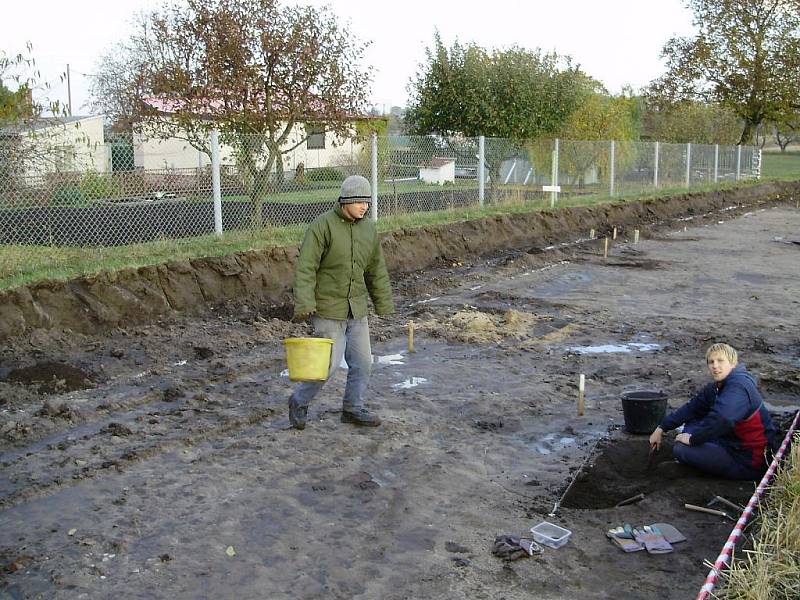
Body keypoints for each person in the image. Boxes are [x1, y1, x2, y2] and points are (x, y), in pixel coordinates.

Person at [287, 175, 395, 430]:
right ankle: (298, 400)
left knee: (363, 362)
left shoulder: (369, 229)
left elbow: (376, 269)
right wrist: (304, 303)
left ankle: (352, 408)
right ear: (345, 200)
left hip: (356, 308)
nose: (364, 206)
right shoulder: (322, 227)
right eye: (359, 201)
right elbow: (306, 268)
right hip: (328, 309)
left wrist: (383, 303)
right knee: (329, 365)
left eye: (367, 201)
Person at [649, 343, 778, 480]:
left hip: (749, 461)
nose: (715, 366)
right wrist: (661, 427)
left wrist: (693, 439)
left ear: (733, 363)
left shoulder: (739, 386)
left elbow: (724, 418)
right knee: (693, 420)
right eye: (711, 362)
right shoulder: (717, 387)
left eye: (720, 361)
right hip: (730, 441)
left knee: (681, 449)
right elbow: (692, 407)